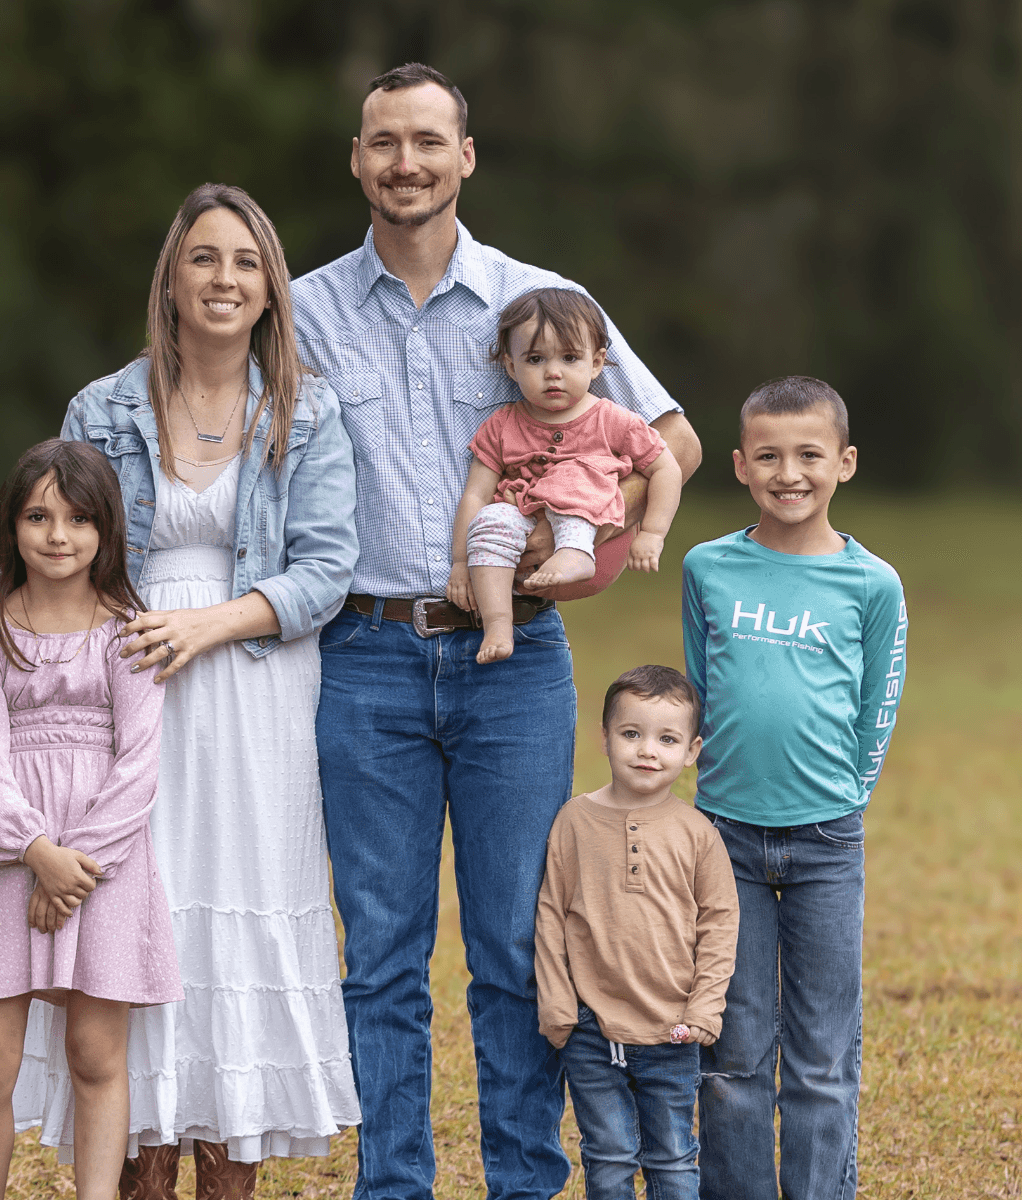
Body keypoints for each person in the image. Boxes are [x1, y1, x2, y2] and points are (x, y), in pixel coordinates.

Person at [289, 62, 703, 1200]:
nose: (404, 162)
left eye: (427, 140)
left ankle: (523, 1182)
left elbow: (669, 440)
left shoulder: (544, 302)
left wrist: (591, 555)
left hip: (514, 666)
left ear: (466, 154)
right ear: (358, 161)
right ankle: (394, 1186)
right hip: (361, 658)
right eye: (383, 143)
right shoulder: (306, 309)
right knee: (377, 958)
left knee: (517, 951)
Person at [0, 183, 360, 1200]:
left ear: (270, 290)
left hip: (254, 685)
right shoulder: (103, 406)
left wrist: (209, 625)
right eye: (203, 259)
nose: (224, 279)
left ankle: (226, 1167)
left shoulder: (304, 409)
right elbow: (54, 532)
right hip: (122, 684)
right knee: (139, 905)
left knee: (242, 908)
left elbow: (325, 568)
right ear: (169, 280)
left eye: (245, 262)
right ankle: (139, 1169)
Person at [0, 438, 179, 1200]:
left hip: (102, 864)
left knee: (97, 1055)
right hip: (3, 856)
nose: (57, 535)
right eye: (38, 516)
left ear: (107, 532)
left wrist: (74, 866)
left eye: (78, 518)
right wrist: (36, 851)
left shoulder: (129, 630)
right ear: (12, 525)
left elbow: (138, 766)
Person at [679, 377, 908, 1200]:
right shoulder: (709, 567)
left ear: (843, 463)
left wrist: (846, 797)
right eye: (769, 456)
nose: (790, 473)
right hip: (725, 838)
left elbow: (879, 702)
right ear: (740, 465)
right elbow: (700, 690)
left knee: (821, 1054)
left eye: (809, 455)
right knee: (732, 1049)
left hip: (825, 842)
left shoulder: (872, 584)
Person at [535, 665, 739, 1200]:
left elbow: (719, 924)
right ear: (604, 738)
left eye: (667, 739)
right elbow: (551, 913)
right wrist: (559, 1003)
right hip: (589, 1027)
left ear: (692, 750)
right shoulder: (573, 821)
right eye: (632, 734)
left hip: (673, 1029)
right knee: (607, 1154)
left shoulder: (698, 833)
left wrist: (704, 1009)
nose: (648, 750)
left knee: (672, 1157)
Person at [446, 288, 684, 663]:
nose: (553, 372)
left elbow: (666, 466)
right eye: (536, 359)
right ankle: (498, 624)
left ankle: (574, 553)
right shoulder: (502, 424)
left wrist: (653, 533)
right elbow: (475, 494)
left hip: (595, 536)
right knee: (491, 517)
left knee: (571, 476)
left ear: (596, 363)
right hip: (527, 536)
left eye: (570, 358)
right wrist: (461, 561)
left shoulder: (612, 419)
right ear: (511, 366)